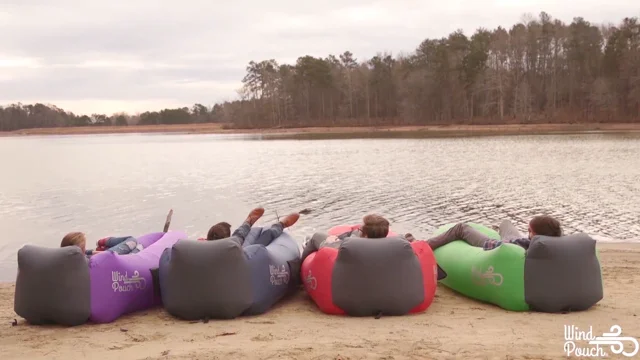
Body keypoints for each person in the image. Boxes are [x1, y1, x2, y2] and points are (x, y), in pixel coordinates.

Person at [425, 215, 562, 251]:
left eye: (530, 231)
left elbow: (503, 246)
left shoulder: (524, 247)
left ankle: (423, 246)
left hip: (494, 245)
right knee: (506, 223)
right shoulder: (558, 245)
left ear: (537, 235)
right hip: (514, 240)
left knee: (461, 228)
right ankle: (497, 227)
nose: (528, 234)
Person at [203, 207, 301, 247]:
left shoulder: (202, 254)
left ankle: (249, 221)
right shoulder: (233, 250)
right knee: (266, 236)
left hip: (231, 249)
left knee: (238, 236)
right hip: (241, 258)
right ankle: (281, 224)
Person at [60, 232, 142, 257]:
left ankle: (103, 244)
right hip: (110, 255)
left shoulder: (64, 258)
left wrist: (93, 252)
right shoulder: (85, 261)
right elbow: (113, 256)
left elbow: (85, 253)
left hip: (107, 254)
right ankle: (106, 241)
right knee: (133, 241)